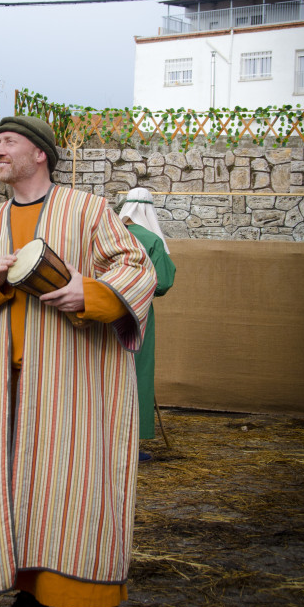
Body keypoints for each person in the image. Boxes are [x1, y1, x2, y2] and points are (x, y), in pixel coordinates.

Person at [0, 115, 157, 607]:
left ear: (41, 154)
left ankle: (78, 592)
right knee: (11, 492)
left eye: (8, 142)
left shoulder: (88, 210)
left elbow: (137, 266)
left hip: (71, 384)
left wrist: (89, 292)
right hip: (2, 389)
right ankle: (31, 591)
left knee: (72, 490)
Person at [119, 188, 176, 462]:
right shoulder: (151, 239)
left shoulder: (109, 235)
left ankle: (103, 438)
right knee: (137, 372)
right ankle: (129, 445)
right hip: (137, 313)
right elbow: (163, 282)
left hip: (100, 312)